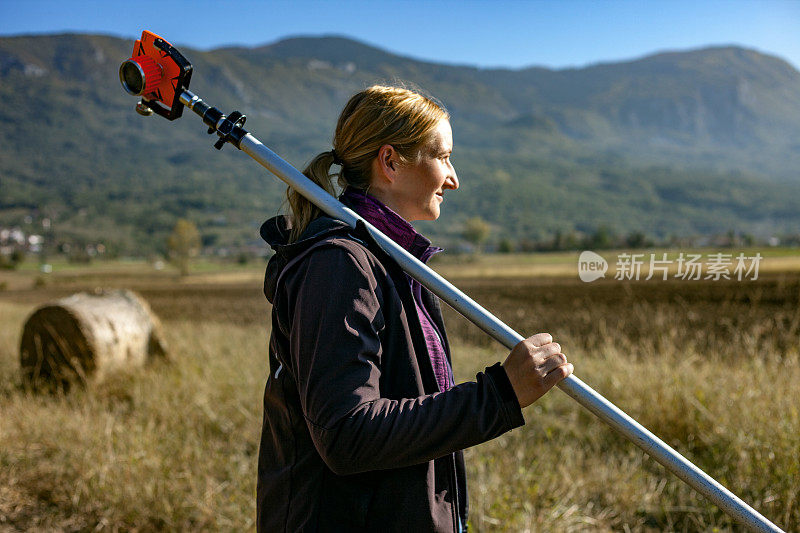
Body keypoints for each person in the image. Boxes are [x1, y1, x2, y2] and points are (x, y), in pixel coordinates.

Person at [257, 85, 573, 532]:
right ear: (390, 162)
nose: (453, 178)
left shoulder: (393, 261)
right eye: (443, 157)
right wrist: (500, 394)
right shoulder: (339, 265)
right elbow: (347, 433)